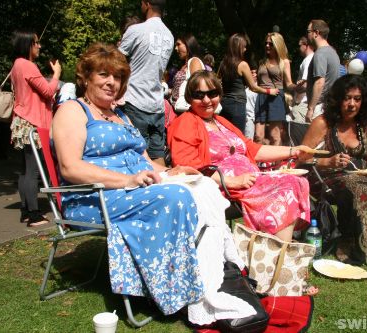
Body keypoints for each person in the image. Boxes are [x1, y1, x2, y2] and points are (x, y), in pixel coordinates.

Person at [52, 43, 256, 324]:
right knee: (177, 198)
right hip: (94, 197)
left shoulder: (119, 115)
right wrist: (127, 180)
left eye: (118, 77)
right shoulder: (72, 111)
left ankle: (217, 274)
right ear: (86, 76)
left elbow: (147, 163)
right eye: (103, 75)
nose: (112, 83)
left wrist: (173, 170)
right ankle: (178, 289)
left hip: (134, 189)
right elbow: (70, 167)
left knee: (203, 186)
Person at [168, 70, 311, 242]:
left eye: (212, 94)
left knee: (298, 181)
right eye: (199, 95)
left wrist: (293, 151)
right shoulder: (185, 122)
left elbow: (251, 149)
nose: (206, 100)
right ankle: (279, 252)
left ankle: (276, 250)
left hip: (249, 179)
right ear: (190, 98)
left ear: (219, 95)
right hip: (223, 187)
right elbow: (187, 167)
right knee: (287, 186)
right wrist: (232, 181)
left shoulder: (220, 121)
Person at [300, 74, 367, 265]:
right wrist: (328, 162)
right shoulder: (323, 123)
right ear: (337, 100)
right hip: (323, 175)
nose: (352, 104)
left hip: (359, 174)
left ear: (363, 101)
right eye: (347, 98)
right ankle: (348, 241)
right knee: (359, 188)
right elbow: (302, 157)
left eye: (357, 99)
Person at [10, 30, 62, 226]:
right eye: (36, 43)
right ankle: (34, 214)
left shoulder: (16, 65)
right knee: (32, 170)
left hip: (21, 121)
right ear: (27, 45)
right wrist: (56, 74)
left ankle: (26, 211)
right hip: (32, 122)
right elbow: (48, 91)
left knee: (25, 170)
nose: (39, 46)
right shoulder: (28, 66)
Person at [119, 0, 173, 166]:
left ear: (146, 3)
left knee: (135, 154)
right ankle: (162, 189)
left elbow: (114, 62)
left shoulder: (136, 30)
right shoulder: (170, 36)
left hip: (134, 101)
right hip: (157, 106)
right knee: (157, 156)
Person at [218, 33, 279, 133]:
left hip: (224, 104)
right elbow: (253, 87)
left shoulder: (223, 63)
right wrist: (269, 91)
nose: (245, 50)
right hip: (237, 105)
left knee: (225, 135)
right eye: (244, 47)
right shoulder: (242, 64)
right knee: (238, 137)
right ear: (238, 47)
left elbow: (219, 82)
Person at [254, 32, 296, 145]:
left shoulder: (284, 62)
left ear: (277, 45)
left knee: (275, 135)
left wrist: (298, 87)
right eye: (266, 43)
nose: (267, 46)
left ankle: (276, 162)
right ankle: (260, 162)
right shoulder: (262, 62)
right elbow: (257, 83)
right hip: (261, 97)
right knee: (258, 136)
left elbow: (289, 83)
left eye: (271, 44)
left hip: (276, 98)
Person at [305, 19, 340, 123]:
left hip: (319, 108)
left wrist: (311, 109)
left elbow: (320, 82)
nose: (307, 35)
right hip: (329, 106)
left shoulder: (320, 54)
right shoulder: (333, 52)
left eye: (308, 32)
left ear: (316, 33)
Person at [170, 33, 204, 112]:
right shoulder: (184, 65)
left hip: (185, 111)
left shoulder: (194, 61)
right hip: (176, 109)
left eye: (178, 44)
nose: (176, 48)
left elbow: (198, 88)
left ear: (188, 44)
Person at [290, 36, 314, 124]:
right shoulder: (313, 58)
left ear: (306, 45)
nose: (298, 48)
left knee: (298, 133)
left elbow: (305, 84)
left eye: (299, 45)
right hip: (306, 103)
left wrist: (296, 102)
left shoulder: (308, 60)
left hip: (303, 104)